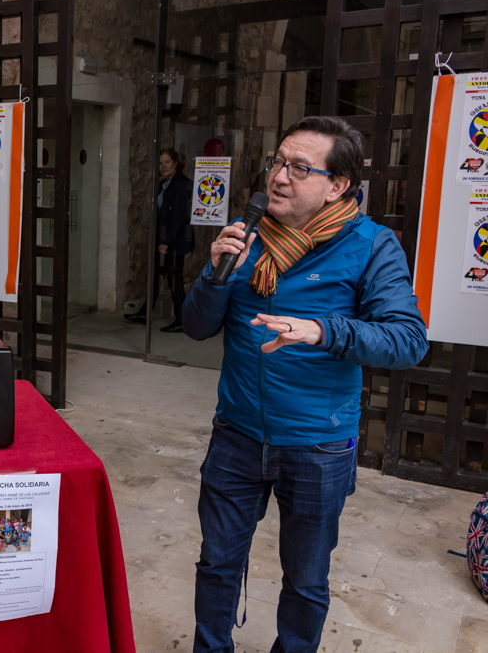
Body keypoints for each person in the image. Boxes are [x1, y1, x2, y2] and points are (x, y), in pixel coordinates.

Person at [182, 116, 428, 652]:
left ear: (337, 185)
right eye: (278, 162)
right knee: (217, 564)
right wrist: (213, 273)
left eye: (299, 168)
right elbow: (196, 328)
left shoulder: (371, 245)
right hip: (237, 435)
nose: (279, 176)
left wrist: (322, 330)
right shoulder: (246, 234)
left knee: (306, 579)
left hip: (318, 446)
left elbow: (407, 340)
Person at [125, 148, 195, 331]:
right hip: (164, 238)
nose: (163, 166)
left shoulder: (181, 184)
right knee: (156, 277)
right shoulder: (165, 184)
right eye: (161, 163)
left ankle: (182, 320)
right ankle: (144, 313)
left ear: (175, 163)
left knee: (174, 280)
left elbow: (179, 216)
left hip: (175, 240)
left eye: (167, 162)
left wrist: (167, 242)